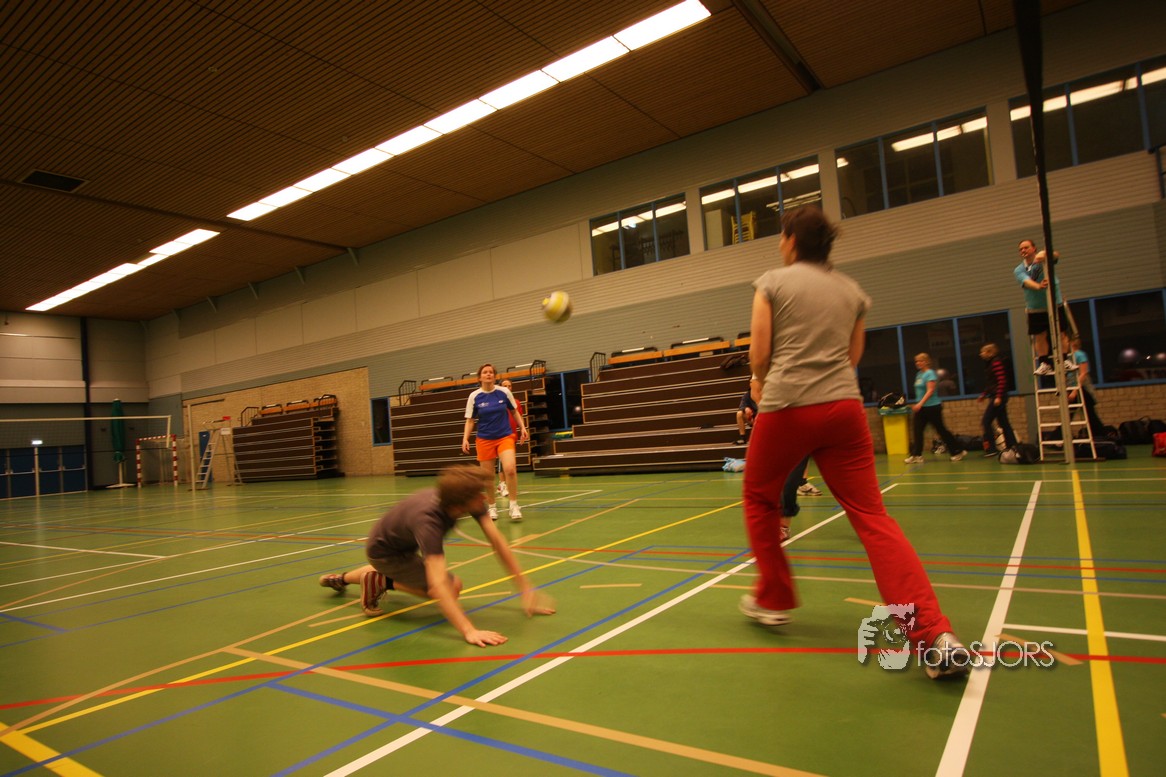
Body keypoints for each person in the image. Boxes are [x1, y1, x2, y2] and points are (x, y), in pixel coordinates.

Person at [741, 205, 967, 679]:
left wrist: (760, 380)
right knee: (872, 518)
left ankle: (774, 599)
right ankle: (933, 635)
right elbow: (852, 356)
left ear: (790, 241)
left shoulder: (771, 283)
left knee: (760, 498)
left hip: (787, 407)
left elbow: (759, 353)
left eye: (781, 238)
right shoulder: (852, 291)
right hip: (843, 411)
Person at [317, 466, 554, 646]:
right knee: (452, 587)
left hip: (390, 545)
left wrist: (525, 588)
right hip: (385, 554)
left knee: (423, 578)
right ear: (461, 502)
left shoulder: (459, 499)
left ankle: (342, 579)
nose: (484, 498)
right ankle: (382, 581)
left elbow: (498, 542)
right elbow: (438, 584)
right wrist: (469, 631)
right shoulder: (429, 522)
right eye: (479, 494)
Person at [461, 364, 528, 521]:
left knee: (510, 469)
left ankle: (513, 505)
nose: (488, 374)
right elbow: (470, 420)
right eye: (485, 372)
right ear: (480, 377)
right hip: (484, 439)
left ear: (494, 376)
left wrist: (523, 427)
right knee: (488, 477)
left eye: (491, 372)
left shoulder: (504, 392)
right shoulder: (474, 396)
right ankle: (491, 507)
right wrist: (465, 438)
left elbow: (514, 411)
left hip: (505, 436)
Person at [1014, 239, 1065, 375]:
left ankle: (1065, 360)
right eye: (1021, 249)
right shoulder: (1019, 270)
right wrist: (1039, 286)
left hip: (1054, 303)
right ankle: (1044, 363)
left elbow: (1056, 256)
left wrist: (1047, 253)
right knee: (1039, 336)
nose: (1023, 250)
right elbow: (1026, 282)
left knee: (1061, 333)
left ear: (1034, 248)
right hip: (1035, 307)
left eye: (1026, 247)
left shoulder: (1044, 260)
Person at [905, 353, 966, 464]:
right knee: (917, 431)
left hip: (932, 407)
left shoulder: (930, 374)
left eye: (920, 361)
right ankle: (916, 455)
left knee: (941, 430)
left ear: (926, 362)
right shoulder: (919, 374)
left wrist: (920, 403)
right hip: (922, 409)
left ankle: (958, 451)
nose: (918, 363)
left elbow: (930, 390)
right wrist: (919, 404)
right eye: (916, 361)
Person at [976, 343, 1018, 456]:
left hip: (998, 396)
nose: (981, 354)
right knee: (1004, 422)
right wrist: (984, 395)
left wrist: (998, 396)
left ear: (989, 352)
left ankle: (992, 449)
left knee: (986, 421)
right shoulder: (990, 364)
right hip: (996, 395)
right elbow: (991, 382)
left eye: (983, 352)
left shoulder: (996, 363)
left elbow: (1001, 380)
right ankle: (1012, 446)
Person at [1063, 333, 1105, 437]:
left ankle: (1101, 435)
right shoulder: (1068, 356)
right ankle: (1061, 435)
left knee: (1089, 414)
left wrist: (1075, 391)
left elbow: (1083, 373)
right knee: (1072, 414)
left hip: (1082, 388)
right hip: (1073, 387)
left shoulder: (1079, 355)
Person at [495, 378, 524, 498]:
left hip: (512, 435)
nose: (507, 388)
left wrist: (522, 431)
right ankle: (502, 484)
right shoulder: (497, 402)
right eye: (505, 386)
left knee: (510, 463)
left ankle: (502, 485)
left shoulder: (516, 402)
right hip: (501, 435)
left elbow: (519, 417)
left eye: (509, 386)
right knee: (501, 461)